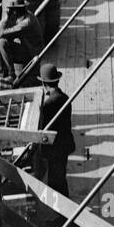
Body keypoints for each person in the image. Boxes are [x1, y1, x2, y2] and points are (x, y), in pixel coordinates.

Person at [32, 63, 75, 198]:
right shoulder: (65, 98)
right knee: (60, 179)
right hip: (65, 145)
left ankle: (64, 217)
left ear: (44, 84)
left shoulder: (48, 104)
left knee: (57, 183)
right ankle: (62, 215)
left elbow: (44, 129)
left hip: (55, 149)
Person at [0, 0, 44, 86]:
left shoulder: (26, 23)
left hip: (32, 54)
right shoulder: (24, 16)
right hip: (28, 47)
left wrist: (5, 19)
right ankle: (3, 71)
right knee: (3, 44)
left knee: (2, 42)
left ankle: (10, 75)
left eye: (11, 10)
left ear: (15, 10)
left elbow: (0, 35)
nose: (10, 12)